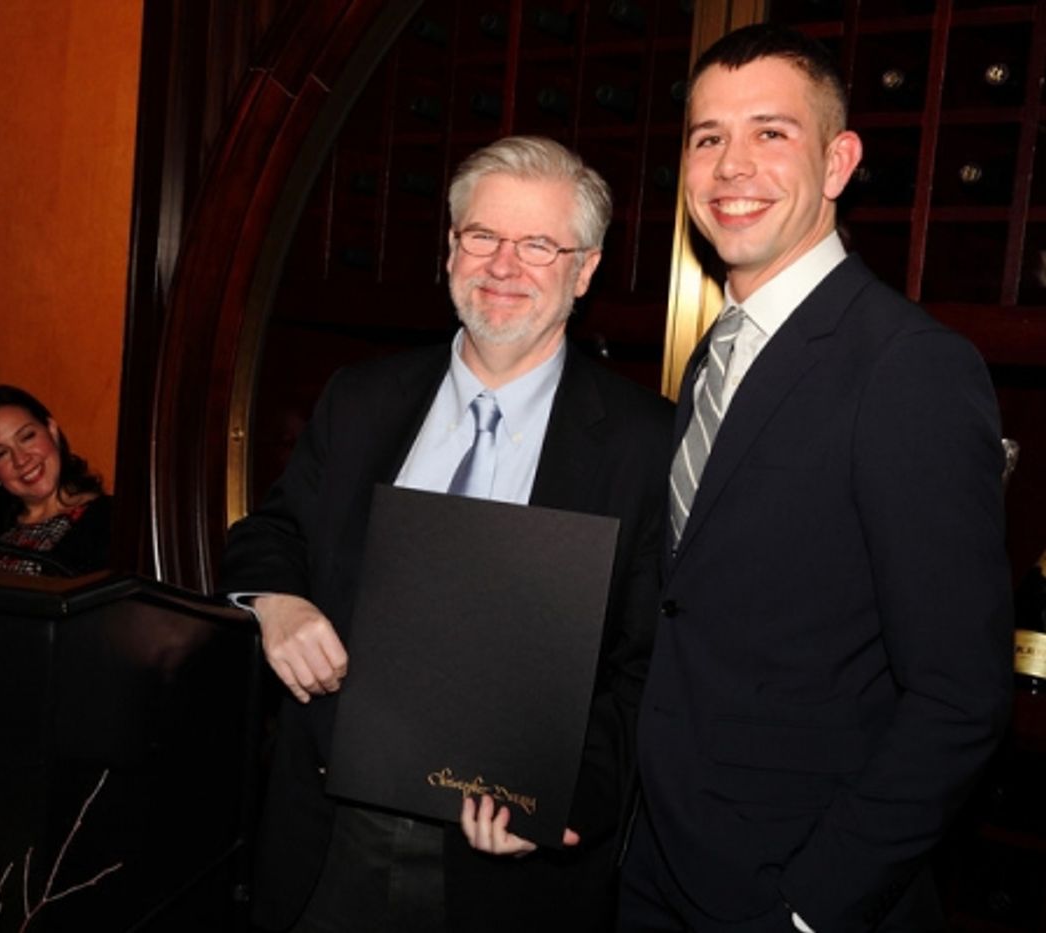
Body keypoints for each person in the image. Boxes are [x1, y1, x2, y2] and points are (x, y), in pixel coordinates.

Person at [221, 136, 672, 931]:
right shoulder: (361, 398)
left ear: (584, 270)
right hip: (330, 834)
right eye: (482, 236)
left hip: (511, 869)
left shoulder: (643, 443)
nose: (504, 266)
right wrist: (276, 600)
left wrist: (564, 794)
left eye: (538, 244)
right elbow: (275, 528)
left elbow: (650, 662)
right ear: (450, 249)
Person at [623, 24, 1013, 933]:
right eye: (707, 137)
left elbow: (960, 694)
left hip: (789, 890)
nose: (731, 166)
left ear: (838, 162)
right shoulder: (718, 355)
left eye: (771, 133)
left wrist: (811, 907)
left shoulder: (908, 367)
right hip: (658, 866)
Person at [0, 384, 112, 576]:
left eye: (27, 437)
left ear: (52, 431)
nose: (21, 460)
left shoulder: (111, 521)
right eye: (0, 454)